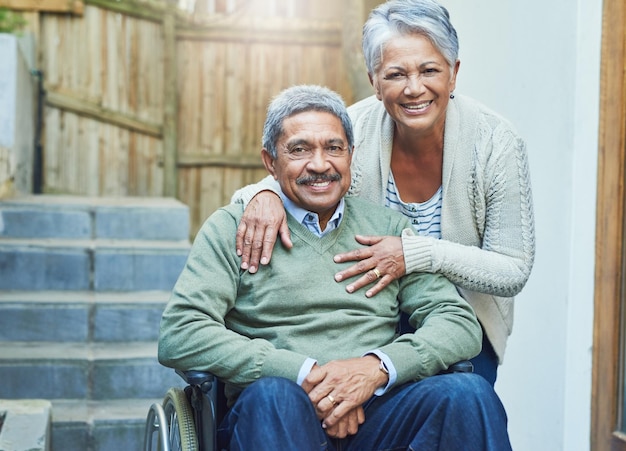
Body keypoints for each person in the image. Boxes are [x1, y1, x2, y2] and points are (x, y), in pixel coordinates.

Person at [159, 85, 512, 450]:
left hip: (378, 413)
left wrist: (375, 369)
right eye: (299, 149)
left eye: (333, 148)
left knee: (469, 393)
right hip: (276, 413)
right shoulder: (234, 228)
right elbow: (182, 333)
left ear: (351, 156)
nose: (319, 164)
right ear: (270, 161)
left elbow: (457, 322)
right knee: (275, 398)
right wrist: (305, 374)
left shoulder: (388, 228)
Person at [230, 0, 535, 386]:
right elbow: (301, 172)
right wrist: (265, 193)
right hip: (370, 315)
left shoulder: (496, 143)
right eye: (395, 74)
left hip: (460, 318)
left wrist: (414, 254)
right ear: (375, 81)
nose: (413, 88)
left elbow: (513, 269)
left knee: (466, 401)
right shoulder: (352, 131)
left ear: (453, 74)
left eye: (429, 70)